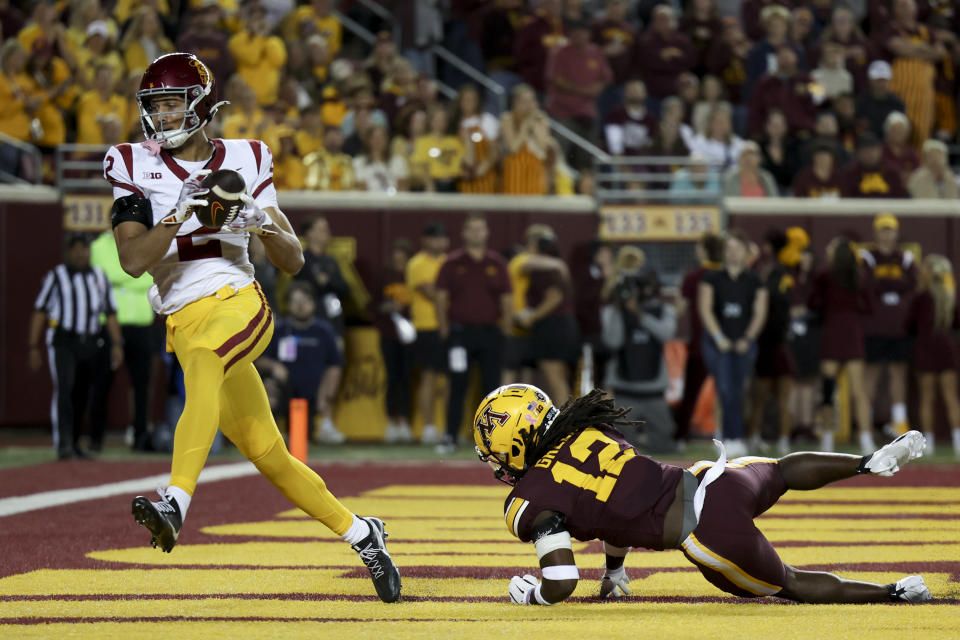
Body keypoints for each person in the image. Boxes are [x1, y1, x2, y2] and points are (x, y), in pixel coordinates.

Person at [105, 53, 400, 603]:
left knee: (205, 364)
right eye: (155, 107)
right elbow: (132, 260)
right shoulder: (129, 164)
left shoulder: (245, 157)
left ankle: (175, 503)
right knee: (269, 453)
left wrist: (261, 222)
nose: (161, 117)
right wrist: (178, 212)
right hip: (182, 316)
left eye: (172, 105)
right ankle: (363, 533)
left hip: (237, 301)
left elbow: (293, 261)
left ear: (199, 106)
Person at [473, 384, 932, 606]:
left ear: (514, 442)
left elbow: (562, 583)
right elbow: (611, 502)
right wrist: (614, 569)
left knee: (788, 582)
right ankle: (866, 462)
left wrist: (532, 595)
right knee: (781, 470)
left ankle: (892, 592)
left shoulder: (531, 499)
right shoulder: (588, 426)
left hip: (708, 532)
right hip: (715, 479)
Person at [29, 233, 124, 459]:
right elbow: (40, 310)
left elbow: (110, 312)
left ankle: (74, 442)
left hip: (90, 341)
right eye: (77, 248)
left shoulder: (99, 277)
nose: (81, 253)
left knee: (82, 393)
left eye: (85, 248)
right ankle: (63, 444)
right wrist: (33, 346)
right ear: (69, 251)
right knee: (65, 389)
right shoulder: (56, 276)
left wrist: (117, 344)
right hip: (64, 341)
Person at [434, 213, 511, 454]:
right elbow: (440, 298)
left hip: (489, 333)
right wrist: (446, 329)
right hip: (460, 334)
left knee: (492, 389)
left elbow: (507, 300)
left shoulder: (496, 263)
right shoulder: (452, 263)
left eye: (480, 229)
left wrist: (506, 331)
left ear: (487, 232)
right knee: (457, 385)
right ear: (464, 233)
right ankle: (450, 436)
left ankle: (492, 440)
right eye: (472, 229)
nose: (476, 233)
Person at [698, 231, 768, 458]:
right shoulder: (712, 278)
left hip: (743, 343)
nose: (733, 253)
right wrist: (719, 338)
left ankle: (732, 435)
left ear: (745, 252)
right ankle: (733, 437)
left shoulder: (754, 280)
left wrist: (747, 338)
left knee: (738, 390)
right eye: (729, 249)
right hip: (718, 343)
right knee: (726, 388)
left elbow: (760, 312)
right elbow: (705, 308)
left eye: (738, 248)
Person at [90, 230, 160, 452]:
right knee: (102, 383)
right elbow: (103, 277)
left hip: (142, 324)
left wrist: (122, 280)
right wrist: (133, 276)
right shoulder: (99, 246)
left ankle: (140, 437)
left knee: (142, 385)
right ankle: (95, 438)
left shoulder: (146, 241)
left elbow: (151, 276)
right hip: (110, 325)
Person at [807, 237, 874, 454]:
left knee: (828, 390)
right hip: (852, 332)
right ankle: (866, 440)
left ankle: (827, 441)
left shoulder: (825, 276)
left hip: (832, 332)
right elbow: (869, 306)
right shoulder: (859, 275)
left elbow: (813, 303)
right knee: (859, 391)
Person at [601, 268, 677, 453]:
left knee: (664, 445)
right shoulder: (612, 311)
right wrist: (621, 311)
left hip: (654, 390)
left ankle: (646, 444)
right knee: (621, 446)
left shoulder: (663, 309)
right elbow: (613, 341)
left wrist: (640, 315)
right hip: (624, 389)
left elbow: (666, 333)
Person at [257, 282, 343, 440]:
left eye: (304, 301)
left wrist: (326, 395)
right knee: (269, 390)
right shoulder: (277, 329)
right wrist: (274, 366)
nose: (300, 306)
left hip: (312, 395)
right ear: (288, 304)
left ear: (313, 304)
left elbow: (334, 366)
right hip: (284, 390)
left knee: (302, 438)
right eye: (295, 301)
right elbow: (259, 360)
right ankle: (267, 433)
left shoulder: (324, 331)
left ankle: (322, 425)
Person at [748, 229, 807, 455]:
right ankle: (778, 441)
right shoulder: (787, 272)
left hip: (768, 340)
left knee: (761, 398)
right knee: (776, 398)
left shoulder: (771, 272)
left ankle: (761, 438)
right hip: (778, 340)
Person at [859, 214, 917, 438]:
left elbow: (911, 284)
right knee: (870, 375)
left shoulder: (905, 258)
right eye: (883, 230)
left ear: (896, 232)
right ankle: (866, 424)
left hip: (899, 327)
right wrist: (894, 285)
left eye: (890, 230)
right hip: (873, 326)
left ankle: (900, 422)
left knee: (898, 373)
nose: (886, 234)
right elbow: (866, 285)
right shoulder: (867, 257)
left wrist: (885, 285)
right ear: (875, 232)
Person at [674, 233, 724, 448]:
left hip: (700, 343)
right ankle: (730, 435)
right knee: (728, 392)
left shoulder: (693, 276)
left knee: (691, 393)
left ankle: (681, 436)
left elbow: (680, 308)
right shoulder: (726, 274)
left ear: (704, 250)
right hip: (724, 342)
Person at [516, 235, 579, 405]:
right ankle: (568, 421)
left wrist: (531, 317)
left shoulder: (544, 271)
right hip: (564, 325)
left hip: (551, 326)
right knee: (561, 381)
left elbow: (554, 297)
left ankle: (566, 425)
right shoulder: (557, 267)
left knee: (555, 381)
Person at [908, 255, 960, 457]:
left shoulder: (921, 297)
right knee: (951, 398)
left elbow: (909, 324)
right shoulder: (949, 296)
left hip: (926, 348)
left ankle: (927, 446)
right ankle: (958, 443)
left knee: (926, 398)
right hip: (946, 349)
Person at [544, 18, 612, 169]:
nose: (579, 36)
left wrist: (598, 87)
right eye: (575, 33)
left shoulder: (596, 52)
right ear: (570, 34)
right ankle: (558, 189)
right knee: (560, 155)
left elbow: (606, 77)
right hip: (563, 113)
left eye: (582, 33)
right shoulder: (560, 52)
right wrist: (584, 90)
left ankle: (587, 190)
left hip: (588, 113)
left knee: (587, 158)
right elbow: (557, 80)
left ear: (588, 34)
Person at [406, 222, 449, 445]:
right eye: (434, 238)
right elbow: (430, 292)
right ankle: (429, 427)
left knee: (451, 379)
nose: (439, 242)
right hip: (426, 326)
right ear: (425, 240)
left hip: (449, 325)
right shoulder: (417, 263)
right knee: (429, 376)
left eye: (441, 238)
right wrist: (457, 302)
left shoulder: (448, 262)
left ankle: (448, 426)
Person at [376, 240, 415, 444]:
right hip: (389, 335)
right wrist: (388, 308)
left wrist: (404, 308)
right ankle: (392, 422)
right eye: (396, 259)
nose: (399, 263)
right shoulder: (385, 277)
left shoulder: (413, 277)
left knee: (407, 379)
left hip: (410, 337)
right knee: (392, 378)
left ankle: (406, 422)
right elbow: (373, 306)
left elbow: (418, 305)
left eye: (403, 259)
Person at [295, 216, 349, 340]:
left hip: (334, 322)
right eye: (322, 229)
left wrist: (328, 282)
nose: (327, 233)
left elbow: (345, 289)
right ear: (310, 233)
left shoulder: (331, 261)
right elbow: (299, 291)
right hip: (310, 325)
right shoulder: (302, 262)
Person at [501, 84, 550, 195]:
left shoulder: (540, 119)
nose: (528, 106)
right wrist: (525, 125)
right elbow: (513, 148)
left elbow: (544, 147)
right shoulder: (508, 118)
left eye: (531, 101)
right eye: (524, 102)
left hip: (535, 171)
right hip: (515, 173)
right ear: (515, 103)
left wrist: (534, 124)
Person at [840, 134, 908, 198]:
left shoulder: (892, 172)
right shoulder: (849, 174)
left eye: (873, 150)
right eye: (865, 151)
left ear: (880, 151)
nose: (869, 154)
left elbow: (903, 197)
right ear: (857, 153)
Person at [855, 61, 907, 139]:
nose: (881, 84)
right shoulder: (861, 101)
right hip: (867, 142)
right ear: (870, 80)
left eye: (883, 80)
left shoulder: (897, 103)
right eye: (877, 80)